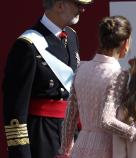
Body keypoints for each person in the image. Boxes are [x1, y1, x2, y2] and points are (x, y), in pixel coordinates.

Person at [56, 16, 136, 158]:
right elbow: (107, 121)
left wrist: (65, 150)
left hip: (81, 146)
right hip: (107, 148)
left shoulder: (82, 67)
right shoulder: (119, 74)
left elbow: (70, 115)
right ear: (125, 42)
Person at [2, 0, 93, 158]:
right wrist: (21, 153)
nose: (82, 9)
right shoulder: (27, 45)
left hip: (72, 134)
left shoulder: (71, 36)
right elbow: (15, 110)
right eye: (77, 4)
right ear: (59, 5)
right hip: (43, 137)